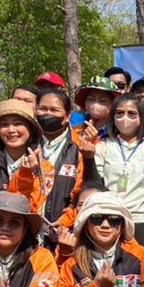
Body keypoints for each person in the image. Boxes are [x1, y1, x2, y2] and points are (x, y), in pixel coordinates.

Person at [93, 94, 144, 245]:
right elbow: (95, 185)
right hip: (110, 220)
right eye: (119, 113)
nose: (125, 118)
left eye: (132, 114)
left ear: (141, 119)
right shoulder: (101, 148)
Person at [35, 88, 91, 248]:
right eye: (43, 109)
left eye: (54, 110)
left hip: (66, 234)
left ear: (67, 117)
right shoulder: (27, 143)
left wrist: (65, 221)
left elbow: (83, 194)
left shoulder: (80, 147)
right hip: (27, 233)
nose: (47, 114)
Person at [0, 99, 47, 211]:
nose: (11, 130)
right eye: (4, 124)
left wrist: (26, 175)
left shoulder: (44, 168)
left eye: (18, 123)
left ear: (31, 129)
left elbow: (32, 208)